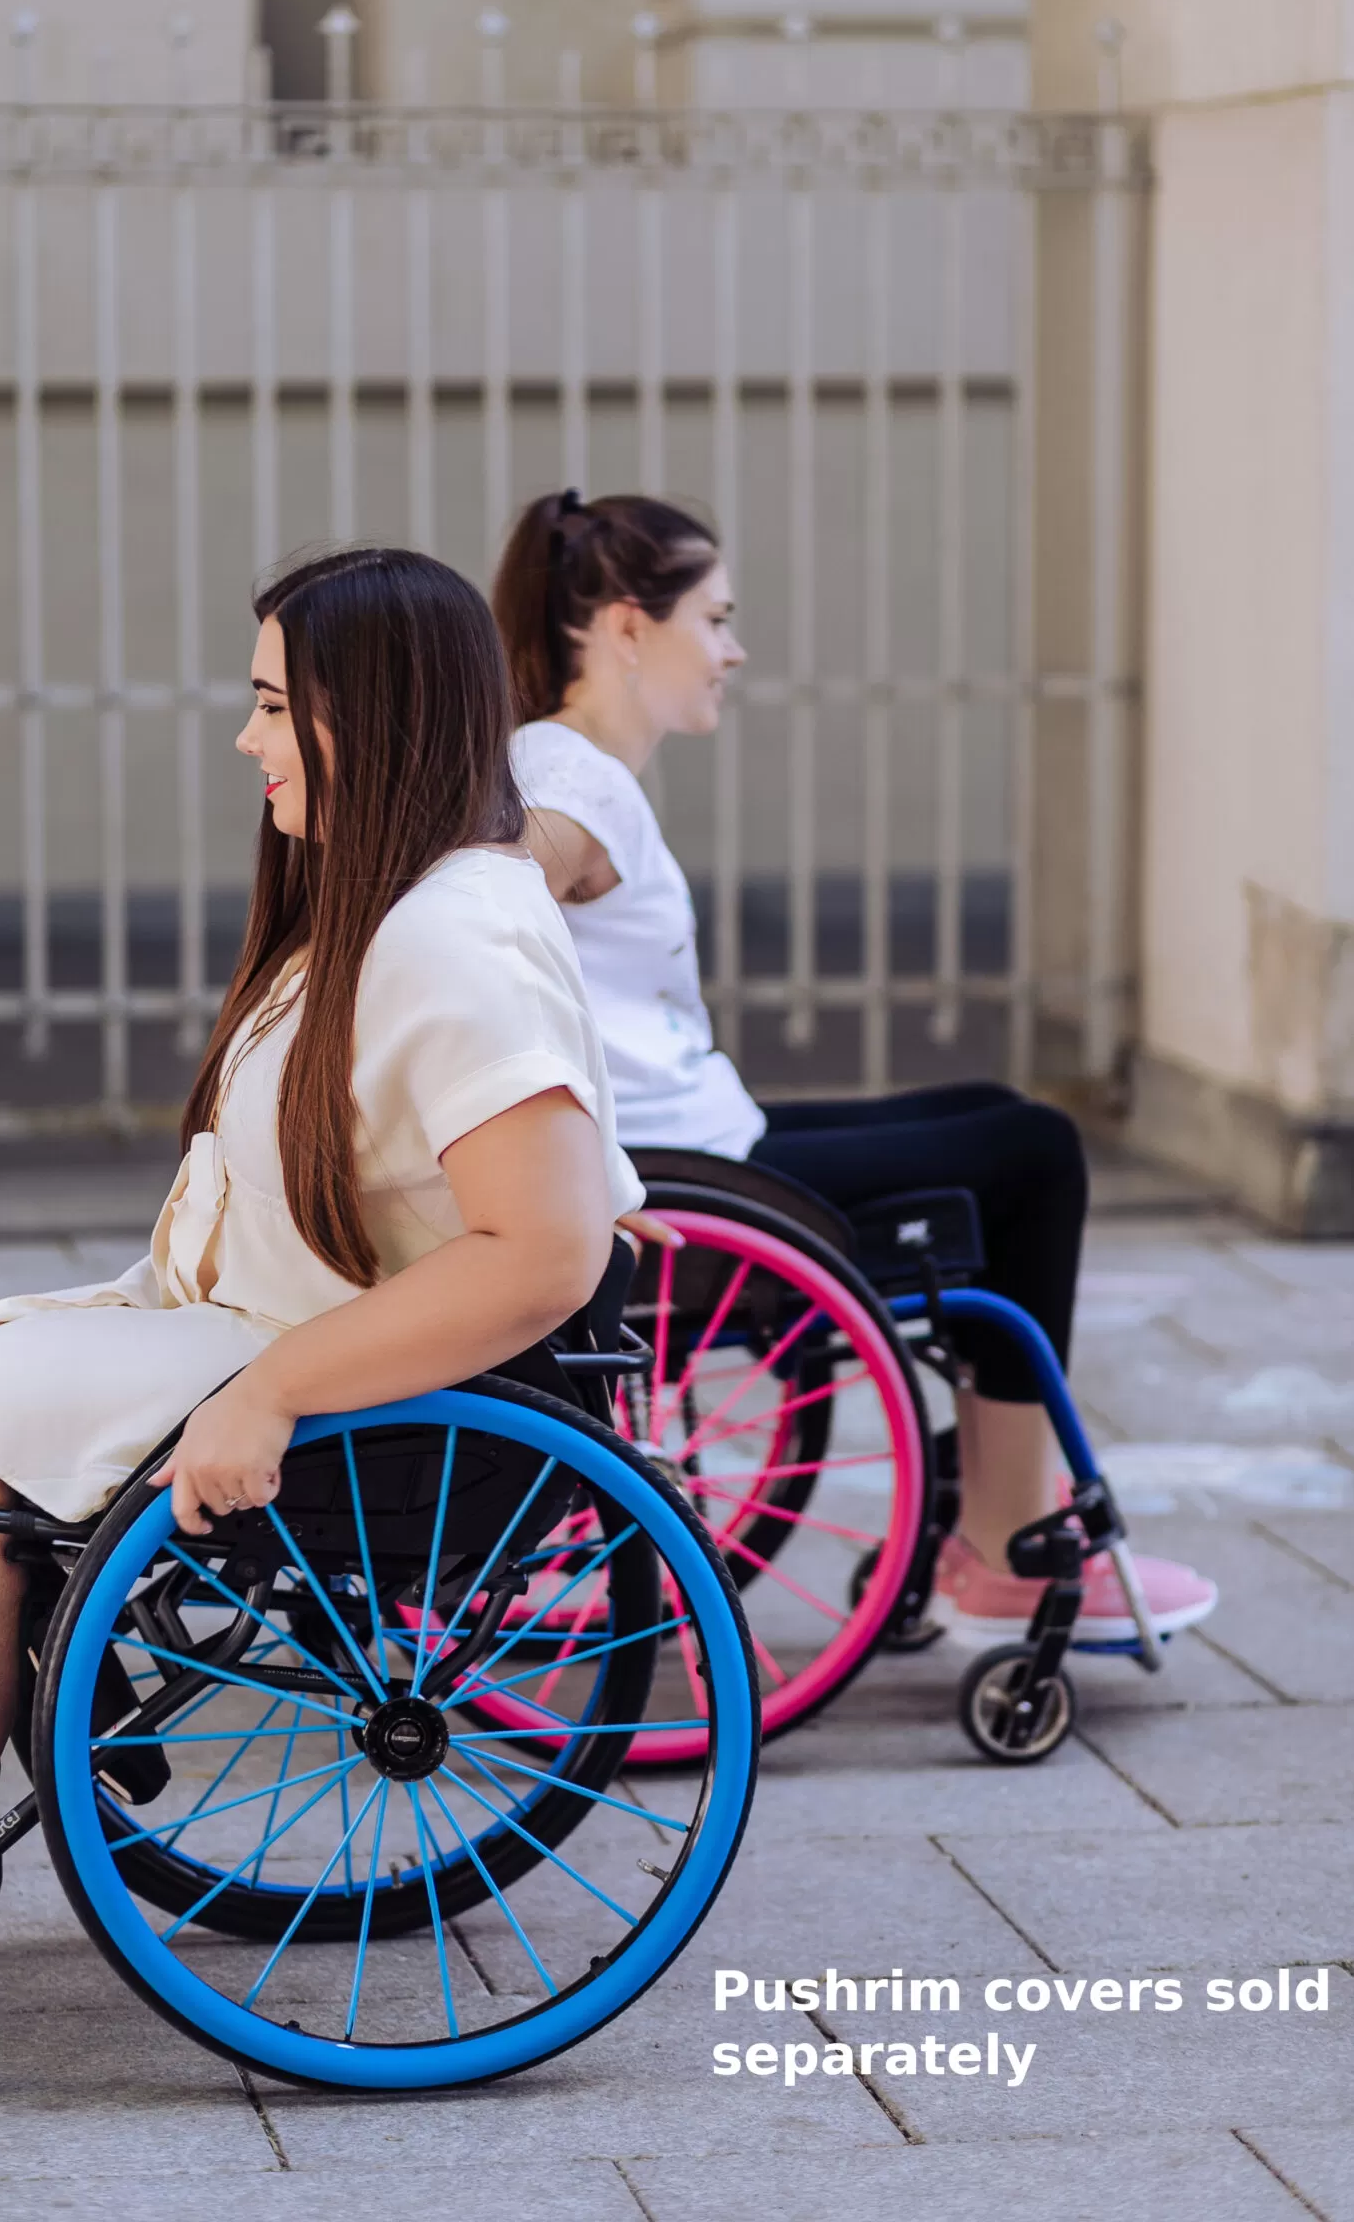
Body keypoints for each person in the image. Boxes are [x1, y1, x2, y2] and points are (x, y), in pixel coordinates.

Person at [0, 545, 645, 1944]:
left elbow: (547, 1251)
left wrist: (265, 1393)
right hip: (287, 1327)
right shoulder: (392, 907)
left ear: (371, 718)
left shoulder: (446, 936)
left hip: (356, 1383)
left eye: (273, 704)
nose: (244, 735)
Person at [493, 488, 1217, 1646]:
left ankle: (997, 1512)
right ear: (627, 626)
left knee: (995, 1113)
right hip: (686, 1178)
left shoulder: (564, 766)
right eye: (716, 619)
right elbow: (478, 907)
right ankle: (1005, 1541)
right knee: (1034, 1153)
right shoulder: (572, 781)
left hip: (697, 1144)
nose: (733, 650)